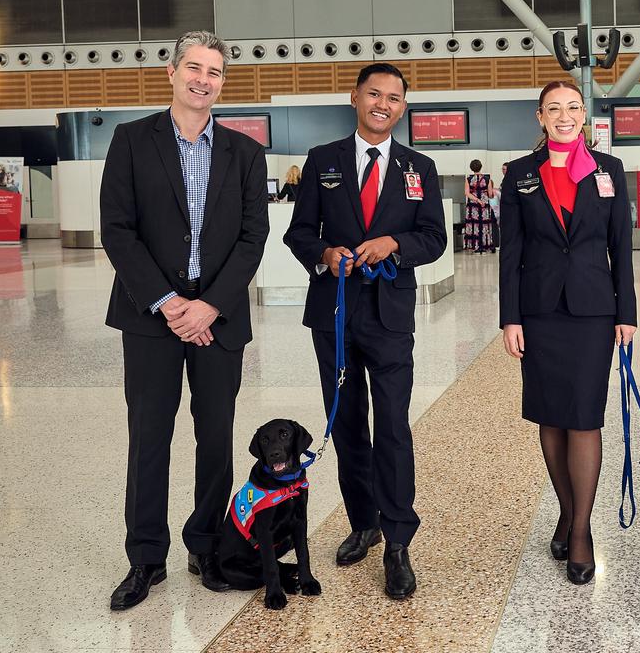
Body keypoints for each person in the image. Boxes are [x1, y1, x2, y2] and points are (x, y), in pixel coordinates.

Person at [100, 30, 269, 610]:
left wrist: (209, 305)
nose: (203, 80)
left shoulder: (245, 153)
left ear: (224, 82)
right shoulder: (129, 141)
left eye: (215, 72)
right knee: (150, 438)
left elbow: (253, 239)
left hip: (217, 319)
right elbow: (117, 230)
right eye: (194, 68)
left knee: (214, 436)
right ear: (171, 72)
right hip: (151, 318)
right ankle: (146, 558)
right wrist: (169, 304)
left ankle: (207, 545)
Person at [282, 63, 447, 600]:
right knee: (349, 423)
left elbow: (433, 238)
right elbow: (299, 232)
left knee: (394, 426)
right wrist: (325, 255)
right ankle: (364, 522)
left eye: (394, 97)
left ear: (403, 107)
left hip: (391, 317)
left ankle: (399, 540)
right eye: (374, 93)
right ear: (354, 97)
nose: (383, 103)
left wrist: (394, 245)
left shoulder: (418, 166)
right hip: (334, 313)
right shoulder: (322, 160)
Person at [499, 81, 636, 585]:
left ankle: (580, 529)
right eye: (553, 108)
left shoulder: (609, 170)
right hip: (538, 312)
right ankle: (565, 507)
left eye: (573, 107)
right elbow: (509, 252)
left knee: (583, 418)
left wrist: (628, 312)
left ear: (584, 115)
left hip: (592, 311)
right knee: (550, 418)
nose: (564, 115)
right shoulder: (518, 175)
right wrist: (509, 318)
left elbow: (620, 245)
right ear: (539, 116)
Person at [463, 159, 496, 254]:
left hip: (472, 207)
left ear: (471, 168)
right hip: (484, 206)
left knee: (474, 225)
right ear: (481, 167)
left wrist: (476, 200)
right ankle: (485, 245)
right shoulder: (487, 179)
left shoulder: (468, 179)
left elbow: (467, 193)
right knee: (484, 225)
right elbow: (490, 194)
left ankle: (475, 246)